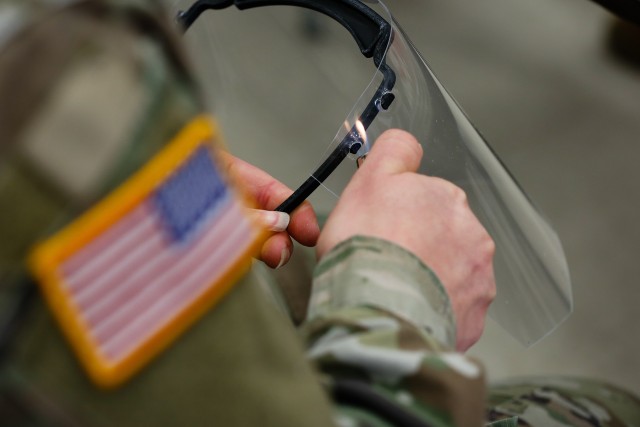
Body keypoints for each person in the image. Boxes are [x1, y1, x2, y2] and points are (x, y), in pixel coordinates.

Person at [0, 1, 638, 426]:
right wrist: (401, 296)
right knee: (604, 410)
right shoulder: (53, 93)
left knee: (286, 275)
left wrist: (150, 185)